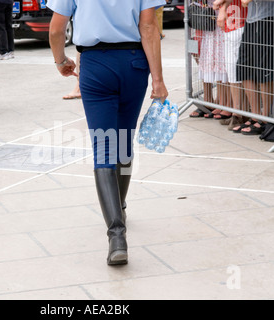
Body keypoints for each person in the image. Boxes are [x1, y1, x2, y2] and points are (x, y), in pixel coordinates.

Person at [48, 0, 168, 265]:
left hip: (95, 64)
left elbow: (57, 29)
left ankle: (117, 236)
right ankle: (120, 207)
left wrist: (60, 60)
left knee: (103, 147)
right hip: (134, 63)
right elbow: (148, 26)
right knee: (124, 141)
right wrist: (158, 80)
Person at [232, 0, 274, 135]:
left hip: (268, 18)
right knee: (244, 66)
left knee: (264, 68)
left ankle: (266, 117)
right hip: (251, 19)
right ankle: (255, 115)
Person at [216, 0, 249, 129]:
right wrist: (223, 8)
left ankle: (240, 112)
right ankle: (238, 111)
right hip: (231, 25)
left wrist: (222, 7)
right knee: (231, 70)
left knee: (239, 71)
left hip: (240, 23)